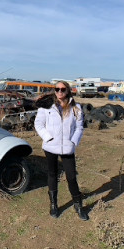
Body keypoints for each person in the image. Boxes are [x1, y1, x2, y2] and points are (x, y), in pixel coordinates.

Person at [34, 81, 88, 220]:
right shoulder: (47, 106)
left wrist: (73, 141)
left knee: (71, 177)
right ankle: (54, 205)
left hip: (67, 147)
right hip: (50, 146)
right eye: (57, 89)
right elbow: (38, 124)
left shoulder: (76, 107)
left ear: (68, 91)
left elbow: (79, 127)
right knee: (52, 174)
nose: (59, 92)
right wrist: (48, 137)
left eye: (62, 89)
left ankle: (78, 206)